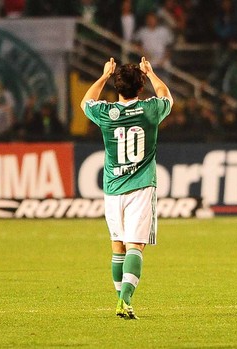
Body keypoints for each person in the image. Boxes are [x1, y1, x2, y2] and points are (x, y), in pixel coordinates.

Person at [80, 57, 173, 319]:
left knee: (117, 246)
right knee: (135, 246)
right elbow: (167, 95)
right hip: (141, 187)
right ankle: (125, 301)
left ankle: (120, 300)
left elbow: (85, 102)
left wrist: (103, 76)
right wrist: (152, 73)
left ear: (117, 88)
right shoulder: (150, 109)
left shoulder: (106, 113)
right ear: (140, 88)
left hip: (112, 189)